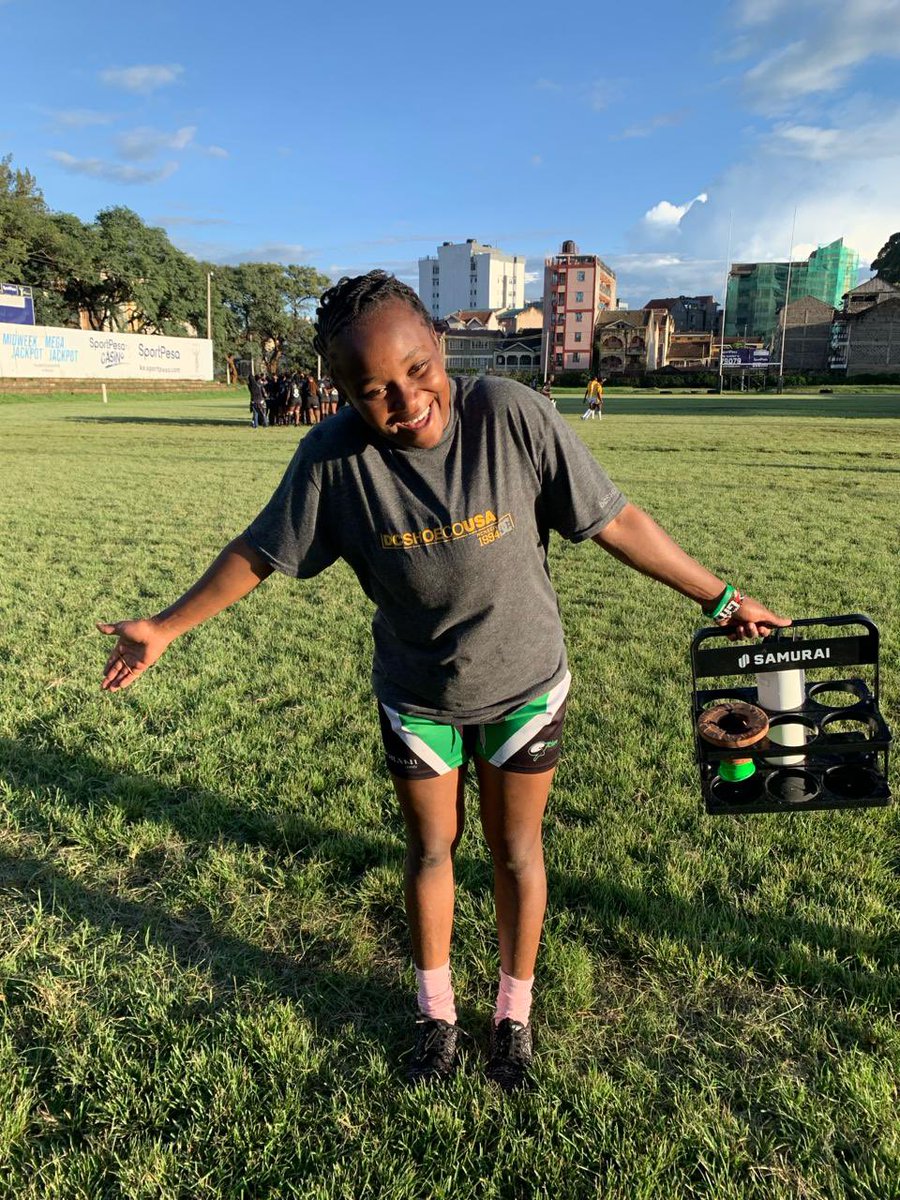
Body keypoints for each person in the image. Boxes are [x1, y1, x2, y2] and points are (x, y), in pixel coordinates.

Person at [98, 271, 789, 1092]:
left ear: (440, 345)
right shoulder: (332, 459)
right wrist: (165, 627)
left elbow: (615, 519)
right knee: (431, 849)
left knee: (514, 850)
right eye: (374, 390)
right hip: (417, 696)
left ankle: (513, 1017)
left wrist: (723, 597)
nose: (405, 400)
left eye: (418, 368)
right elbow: (260, 553)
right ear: (341, 391)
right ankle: (436, 1016)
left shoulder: (512, 414)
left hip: (526, 686)